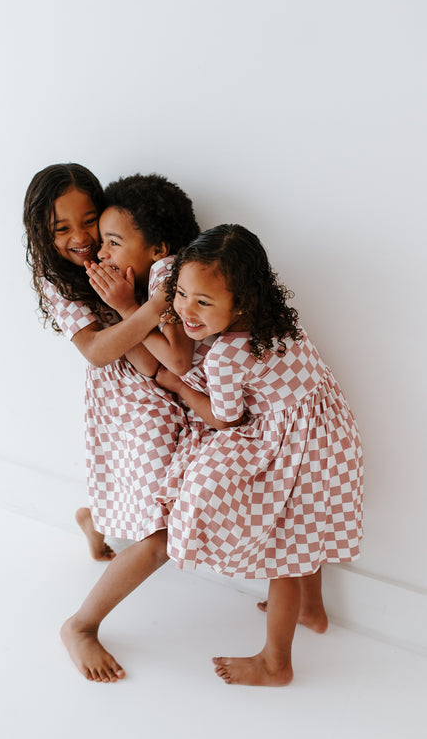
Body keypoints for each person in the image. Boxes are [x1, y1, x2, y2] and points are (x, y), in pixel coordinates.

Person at [155, 224, 363, 686]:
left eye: (203, 302)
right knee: (302, 530)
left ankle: (276, 663)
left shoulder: (224, 357)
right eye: (181, 294)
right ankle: (312, 610)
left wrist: (179, 388)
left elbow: (224, 420)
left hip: (294, 448)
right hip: (329, 437)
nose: (186, 309)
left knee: (283, 556)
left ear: (241, 303)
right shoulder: (282, 324)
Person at [23, 164, 200, 681]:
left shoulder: (125, 252)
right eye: (61, 229)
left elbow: (158, 354)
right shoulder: (60, 283)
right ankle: (80, 625)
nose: (81, 238)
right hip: (126, 399)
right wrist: (144, 308)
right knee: (161, 531)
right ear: (43, 234)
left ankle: (93, 519)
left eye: (89, 221)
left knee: (145, 490)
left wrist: (141, 310)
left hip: (159, 382)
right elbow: (99, 351)